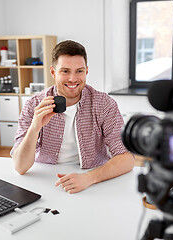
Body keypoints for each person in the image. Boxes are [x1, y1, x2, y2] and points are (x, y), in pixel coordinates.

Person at [11, 40, 134, 194]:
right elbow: (20, 167)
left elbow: (127, 159)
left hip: (93, 178)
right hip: (45, 179)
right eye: (65, 71)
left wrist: (88, 178)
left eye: (79, 71)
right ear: (53, 72)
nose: (73, 79)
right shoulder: (34, 104)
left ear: (87, 71)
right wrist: (35, 127)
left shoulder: (104, 103)